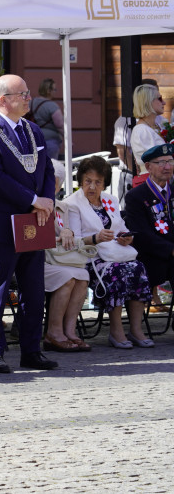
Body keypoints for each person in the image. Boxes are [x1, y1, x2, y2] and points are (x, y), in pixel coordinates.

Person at [0, 74, 57, 374]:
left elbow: (47, 171)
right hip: (2, 224)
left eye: (27, 92)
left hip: (35, 221)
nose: (28, 97)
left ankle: (31, 350)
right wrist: (34, 200)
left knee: (34, 290)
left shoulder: (33, 129)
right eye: (22, 93)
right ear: (3, 100)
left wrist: (46, 202)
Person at [65, 156, 152, 348]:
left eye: (98, 182)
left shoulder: (110, 200)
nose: (92, 187)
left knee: (138, 267)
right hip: (89, 257)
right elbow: (73, 240)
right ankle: (116, 330)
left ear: (104, 183)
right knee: (116, 271)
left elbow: (120, 228)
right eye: (88, 181)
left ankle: (136, 329)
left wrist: (126, 238)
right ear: (80, 181)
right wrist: (95, 238)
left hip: (114, 253)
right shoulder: (72, 204)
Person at [123, 143, 174, 317]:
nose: (167, 167)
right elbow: (141, 234)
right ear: (148, 167)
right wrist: (170, 250)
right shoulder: (136, 196)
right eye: (161, 162)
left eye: (170, 161)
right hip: (152, 257)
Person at [43, 173, 91, 353]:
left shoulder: (63, 207)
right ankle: (53, 333)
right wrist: (58, 237)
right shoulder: (31, 205)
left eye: (54, 184)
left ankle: (70, 332)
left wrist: (67, 232)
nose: (50, 188)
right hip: (36, 259)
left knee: (82, 276)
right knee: (67, 277)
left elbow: (72, 235)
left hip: (57, 257)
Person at [130, 83, 167, 175]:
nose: (164, 102)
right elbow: (156, 162)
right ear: (148, 102)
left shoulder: (157, 126)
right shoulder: (142, 131)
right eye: (159, 99)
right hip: (152, 183)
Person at [29, 78, 64, 160]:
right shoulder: (52, 106)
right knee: (51, 166)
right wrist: (67, 138)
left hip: (33, 139)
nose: (55, 92)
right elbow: (59, 125)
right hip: (50, 142)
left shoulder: (31, 102)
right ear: (49, 90)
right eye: (54, 89)